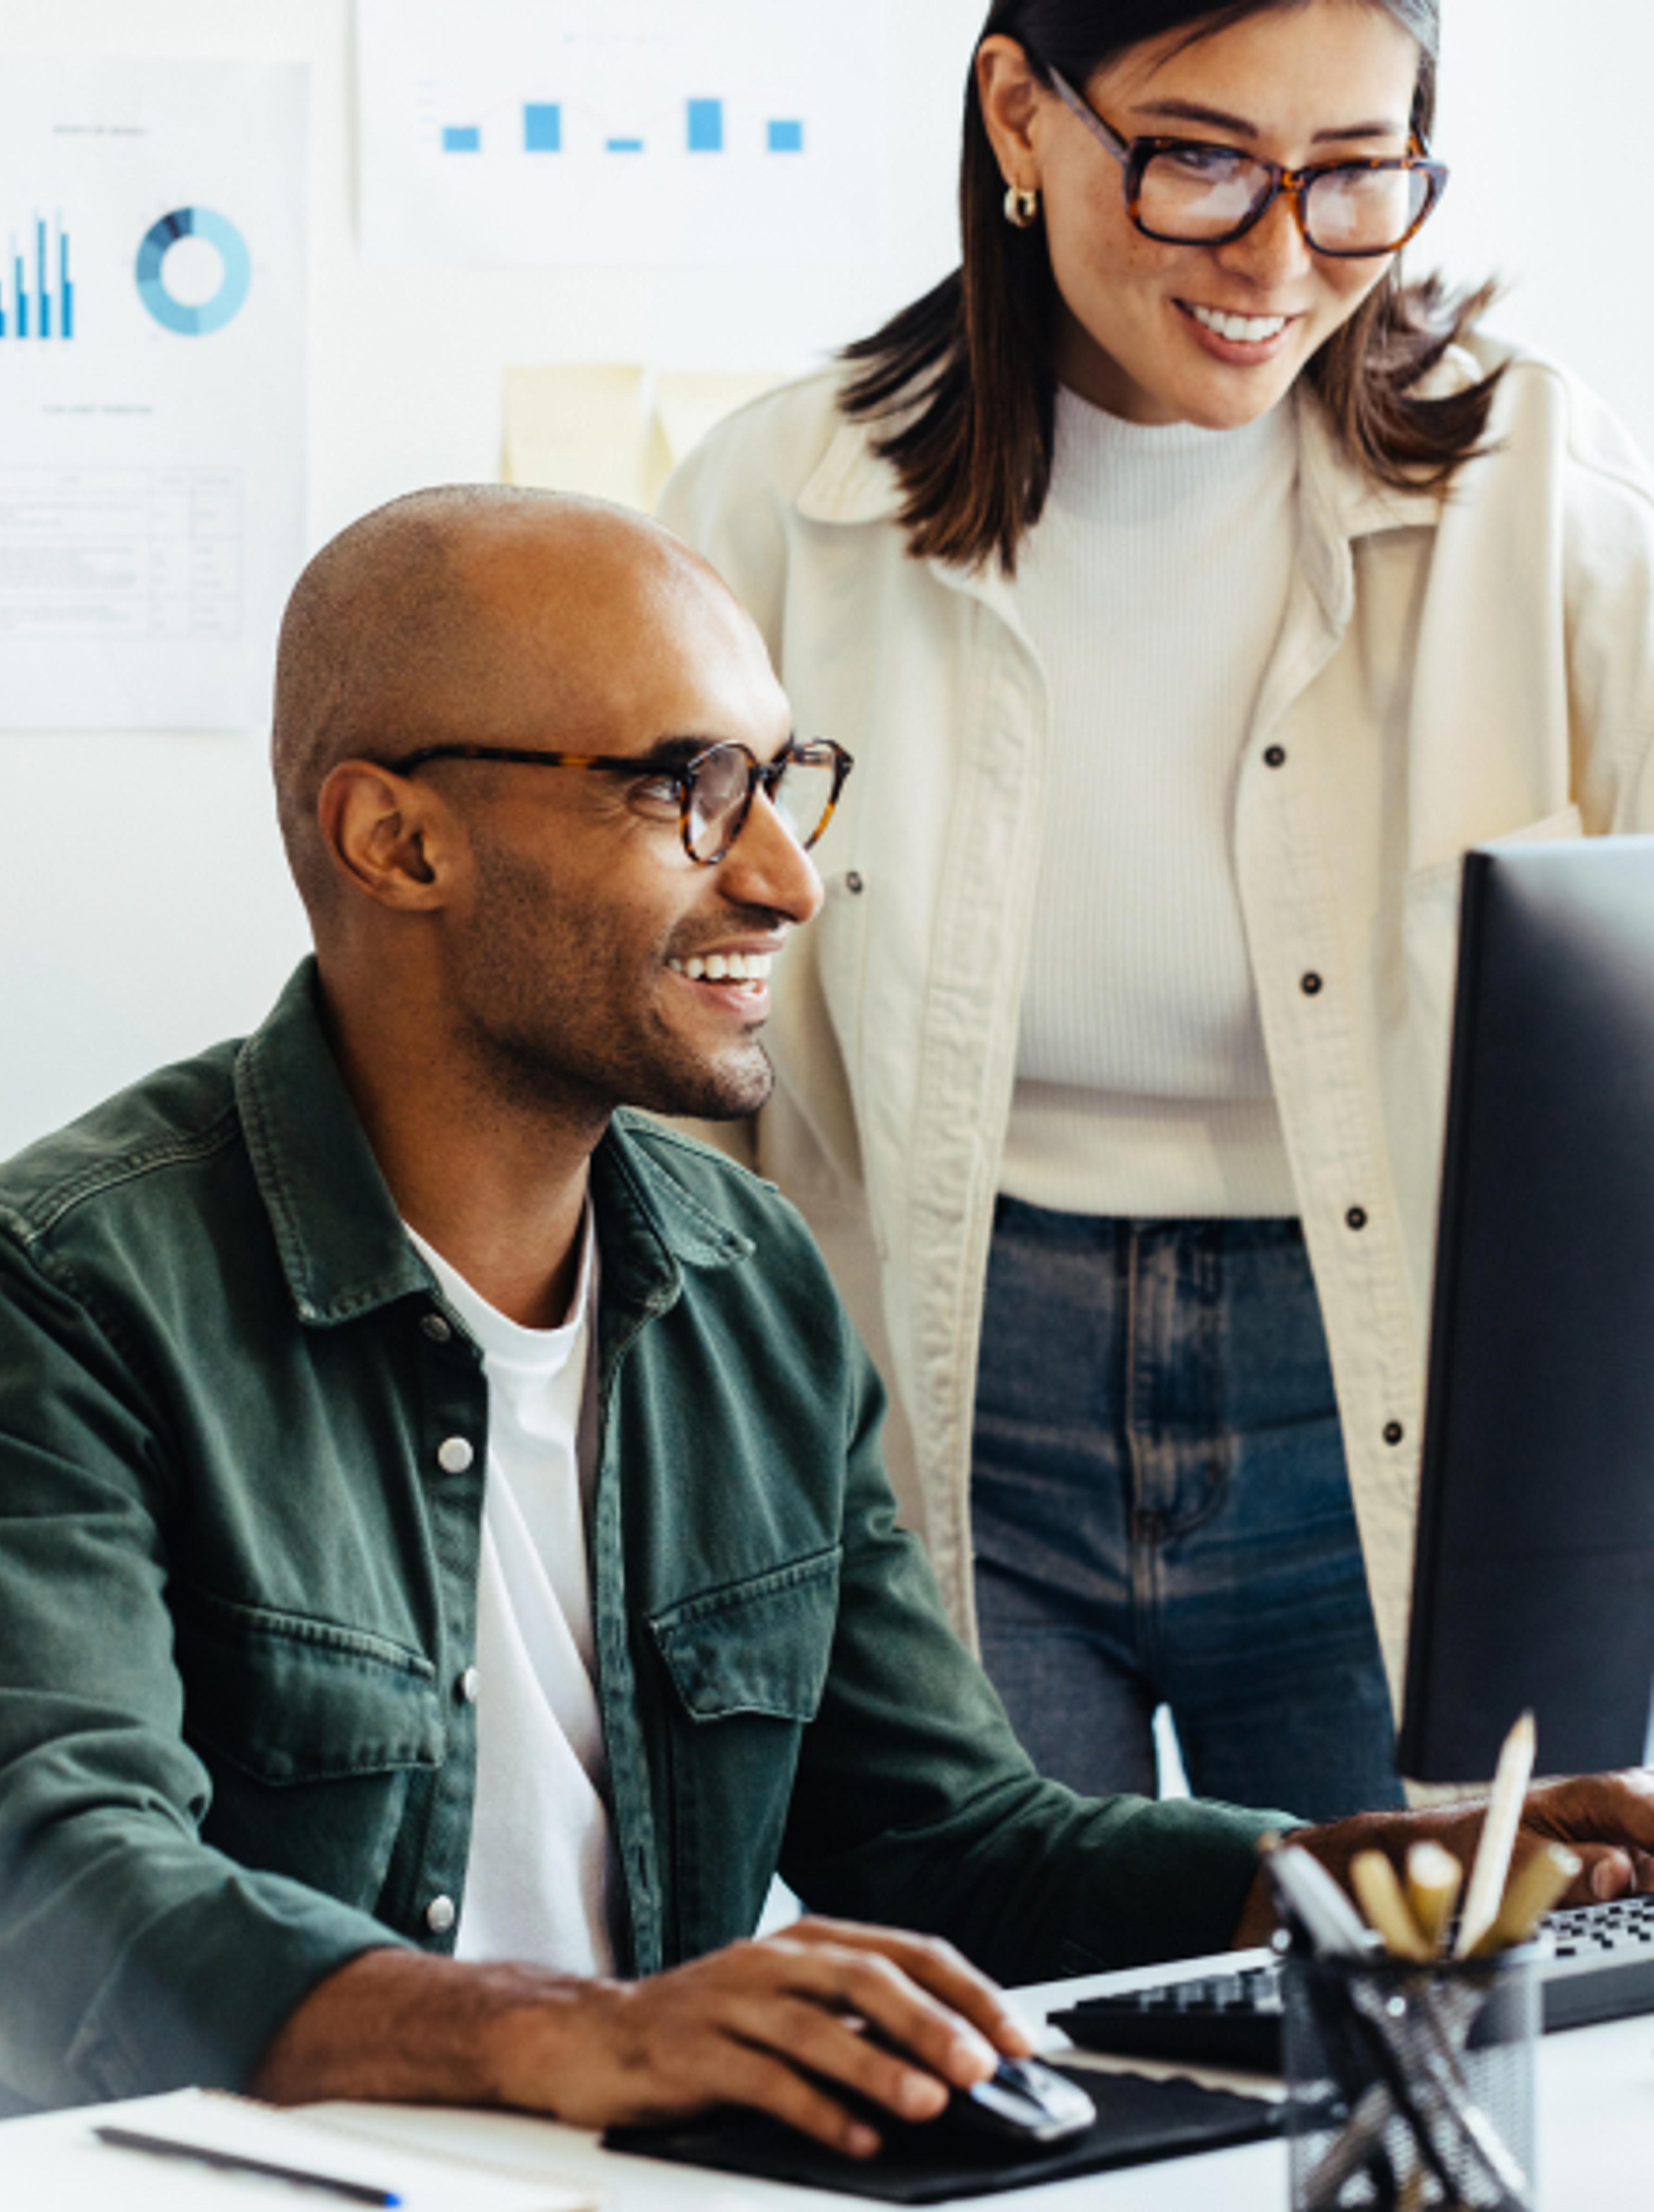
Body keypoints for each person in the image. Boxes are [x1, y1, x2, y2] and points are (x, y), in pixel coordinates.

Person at [0, 489, 1649, 2144]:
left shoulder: (750, 1276)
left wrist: (1372, 1875)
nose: (789, 877)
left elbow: (954, 1840)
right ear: (397, 840)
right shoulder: (44, 1293)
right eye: (691, 788)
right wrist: (569, 2035)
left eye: (787, 781)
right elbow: (38, 1880)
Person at [658, 0, 1654, 1820]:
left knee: (1424, 1972)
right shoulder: (780, 508)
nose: (1279, 259)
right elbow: (658, 1039)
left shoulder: (1547, 501)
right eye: (1200, 160)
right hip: (948, 1393)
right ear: (1019, 115)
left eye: (1356, 174)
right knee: (1031, 1974)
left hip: (1383, 1397)